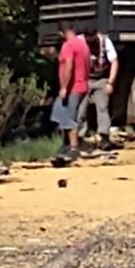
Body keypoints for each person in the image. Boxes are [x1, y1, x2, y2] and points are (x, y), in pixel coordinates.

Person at [51, 21, 90, 163]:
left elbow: (69, 66)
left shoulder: (68, 46)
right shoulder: (83, 44)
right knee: (60, 113)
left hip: (73, 88)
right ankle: (66, 145)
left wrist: (64, 87)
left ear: (62, 33)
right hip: (83, 85)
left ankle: (73, 148)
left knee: (68, 117)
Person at [77, 31, 119, 151]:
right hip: (84, 79)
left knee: (102, 108)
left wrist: (110, 83)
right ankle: (79, 139)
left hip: (101, 79)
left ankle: (104, 138)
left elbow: (114, 62)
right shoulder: (78, 42)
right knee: (81, 110)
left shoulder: (106, 42)